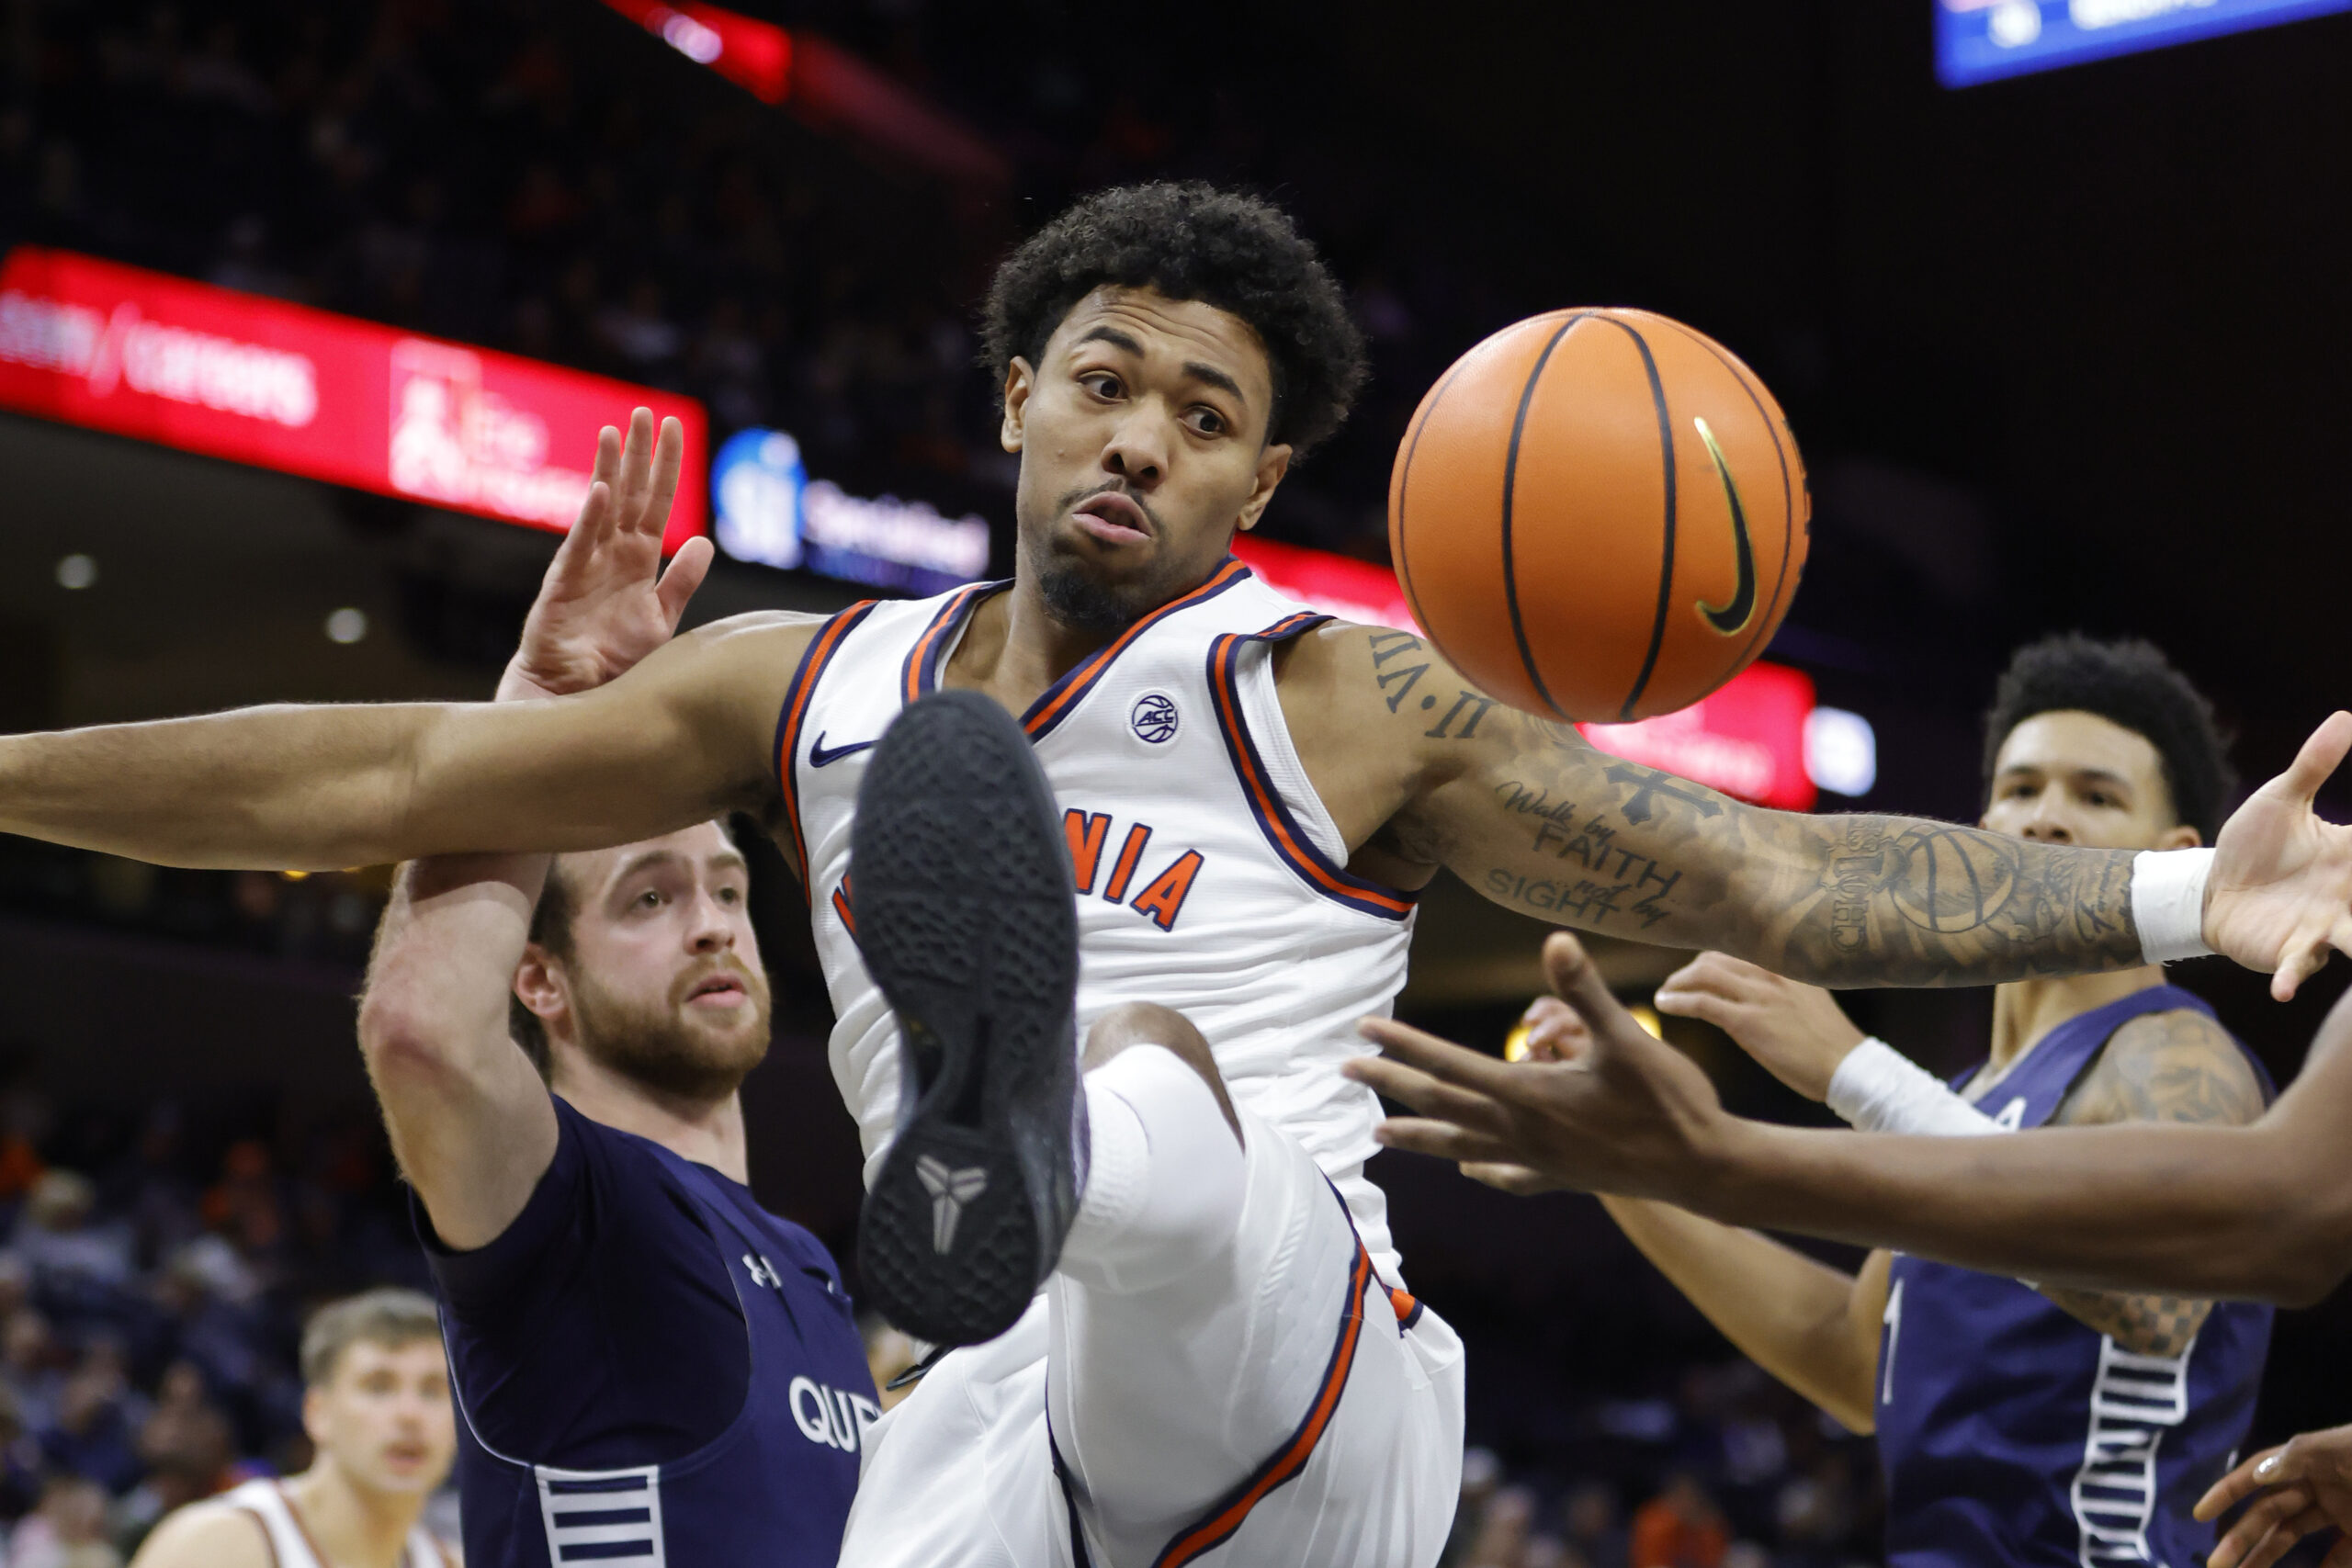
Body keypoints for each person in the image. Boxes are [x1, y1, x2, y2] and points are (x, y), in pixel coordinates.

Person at [0, 183, 2349, 1565]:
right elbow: (392, 756)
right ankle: (1005, 1146)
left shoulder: (1333, 693)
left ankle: (1035, 1114)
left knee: (1147, 1069)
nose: (1139, 433)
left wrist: (2179, 904)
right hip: (998, 1397)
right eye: (1104, 377)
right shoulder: (802, 683)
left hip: (1296, 1360)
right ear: (1015, 389)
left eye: (1204, 416)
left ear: (1257, 485)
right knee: (1006, 1300)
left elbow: (1763, 872)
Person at [1544, 636, 2274, 1568]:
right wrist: (1618, 1162)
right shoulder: (1962, 1103)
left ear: (2178, 861)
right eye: (2019, 789)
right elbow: (1851, 1361)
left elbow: (2155, 1296)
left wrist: (1854, 1072)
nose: (2044, 820)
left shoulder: (2173, 1052)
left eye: (2095, 796)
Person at [353, 418, 872, 1566]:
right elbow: (420, 1035)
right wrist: (533, 711)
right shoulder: (571, 1206)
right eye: (649, 899)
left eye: (728, 892)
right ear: (537, 978)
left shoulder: (810, 1263)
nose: (709, 925)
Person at [128, 1287, 456, 1568]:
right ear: (317, 1412)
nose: (410, 1414)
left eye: (433, 1390)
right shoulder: (216, 1545)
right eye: (379, 1387)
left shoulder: (453, 1562)